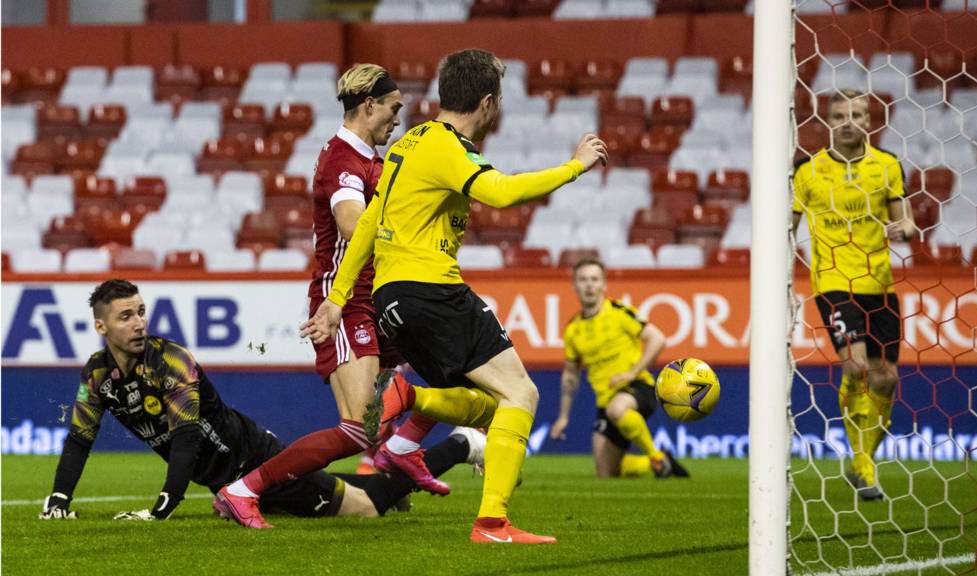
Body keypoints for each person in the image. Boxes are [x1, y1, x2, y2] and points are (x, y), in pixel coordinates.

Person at [302, 48, 608, 544]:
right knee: (523, 394)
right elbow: (504, 193)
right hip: (432, 289)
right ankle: (491, 522)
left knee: (498, 406)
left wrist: (338, 298)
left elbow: (369, 226)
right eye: (500, 101)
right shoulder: (447, 148)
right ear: (487, 102)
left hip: (392, 299)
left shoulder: (407, 144)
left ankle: (410, 397)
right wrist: (575, 166)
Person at [38, 279, 485, 525]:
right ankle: (392, 469)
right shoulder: (96, 376)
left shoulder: (170, 360)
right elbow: (80, 438)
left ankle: (462, 444)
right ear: (101, 327)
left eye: (141, 312)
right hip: (226, 482)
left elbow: (188, 437)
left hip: (258, 463)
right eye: (125, 316)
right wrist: (59, 497)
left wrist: (163, 508)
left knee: (368, 508)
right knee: (341, 488)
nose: (138, 323)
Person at [217, 63, 450, 529]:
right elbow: (351, 224)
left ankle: (397, 451)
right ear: (369, 106)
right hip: (346, 300)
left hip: (380, 297)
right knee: (358, 427)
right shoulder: (344, 159)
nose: (398, 118)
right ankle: (242, 490)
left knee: (443, 367)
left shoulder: (370, 159)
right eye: (393, 108)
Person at [791, 89, 916, 501]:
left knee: (887, 377)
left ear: (869, 120)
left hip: (879, 284)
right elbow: (785, 227)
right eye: (840, 114)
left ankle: (862, 458)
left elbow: (907, 222)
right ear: (827, 120)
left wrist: (906, 230)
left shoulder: (887, 165)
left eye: (857, 114)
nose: (848, 121)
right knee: (856, 368)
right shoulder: (807, 173)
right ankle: (863, 464)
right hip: (832, 281)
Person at [549, 257, 688, 479]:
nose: (589, 285)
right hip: (606, 400)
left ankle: (656, 457)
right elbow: (571, 375)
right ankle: (656, 462)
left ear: (604, 285)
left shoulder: (619, 311)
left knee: (617, 409)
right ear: (574, 285)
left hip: (638, 387)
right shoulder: (573, 329)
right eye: (583, 280)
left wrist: (631, 373)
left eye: (594, 279)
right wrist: (563, 416)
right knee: (606, 473)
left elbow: (658, 339)